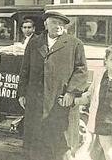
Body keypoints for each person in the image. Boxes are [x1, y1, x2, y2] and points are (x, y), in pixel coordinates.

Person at [17, 10, 88, 160]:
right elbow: (25, 69)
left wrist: (71, 92)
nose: (58, 26)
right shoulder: (35, 43)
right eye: (54, 22)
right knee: (36, 146)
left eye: (61, 23)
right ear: (45, 24)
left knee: (62, 147)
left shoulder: (74, 44)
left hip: (60, 102)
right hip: (36, 103)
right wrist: (22, 93)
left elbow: (81, 70)